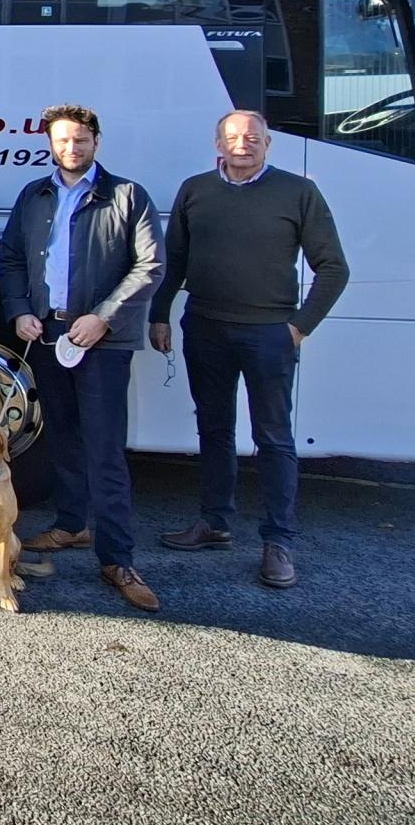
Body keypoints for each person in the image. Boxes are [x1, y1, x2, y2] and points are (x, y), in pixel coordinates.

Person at [148, 109, 351, 590]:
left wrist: (298, 328)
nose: (243, 144)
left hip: (269, 335)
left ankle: (278, 542)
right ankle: (214, 522)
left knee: (273, 438)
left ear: (268, 145)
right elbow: (173, 259)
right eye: (233, 137)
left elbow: (334, 268)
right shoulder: (195, 190)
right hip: (206, 327)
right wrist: (160, 314)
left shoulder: (298, 193)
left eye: (253, 137)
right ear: (218, 145)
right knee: (214, 429)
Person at [0, 104, 163, 612]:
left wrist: (104, 318)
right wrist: (21, 311)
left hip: (102, 341)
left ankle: (118, 559)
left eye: (81, 139)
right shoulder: (35, 194)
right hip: (49, 335)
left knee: (105, 451)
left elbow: (149, 265)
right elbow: (11, 257)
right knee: (63, 437)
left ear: (96, 141)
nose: (72, 147)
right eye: (63, 140)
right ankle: (71, 526)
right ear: (51, 143)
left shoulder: (127, 195)